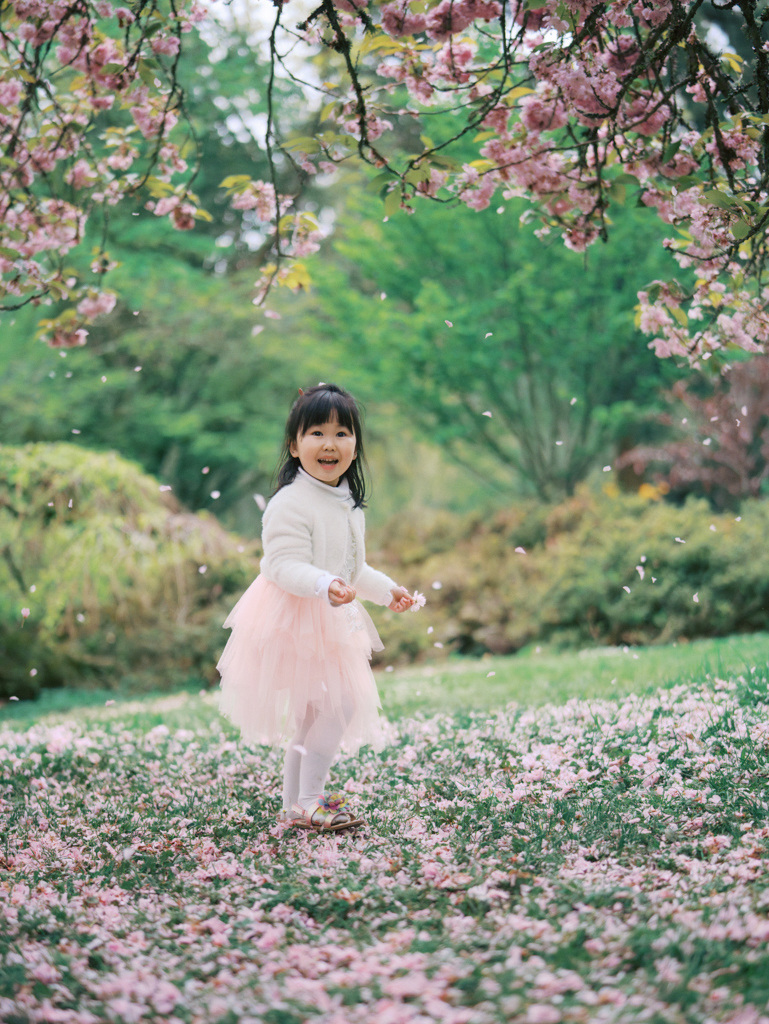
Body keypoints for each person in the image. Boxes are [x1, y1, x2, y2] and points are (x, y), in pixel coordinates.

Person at [217, 384, 414, 832]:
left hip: (329, 617)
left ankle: (295, 803)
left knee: (313, 718)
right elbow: (281, 564)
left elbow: (352, 567)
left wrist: (388, 591)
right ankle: (308, 798)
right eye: (317, 433)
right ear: (294, 445)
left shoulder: (347, 502)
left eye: (343, 433)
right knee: (339, 706)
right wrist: (324, 583)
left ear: (355, 445)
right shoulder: (290, 502)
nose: (330, 443)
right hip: (294, 618)